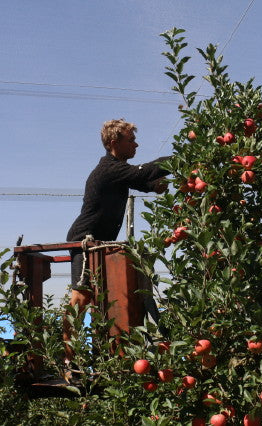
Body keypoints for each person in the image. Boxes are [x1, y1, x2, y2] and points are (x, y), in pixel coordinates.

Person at [63, 119, 170, 362]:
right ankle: (66, 360)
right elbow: (144, 172)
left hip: (102, 244)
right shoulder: (109, 169)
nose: (136, 144)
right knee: (81, 297)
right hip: (85, 240)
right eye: (131, 140)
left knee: (102, 298)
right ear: (114, 143)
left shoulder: (118, 170)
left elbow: (145, 181)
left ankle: (101, 357)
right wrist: (180, 159)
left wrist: (158, 186)